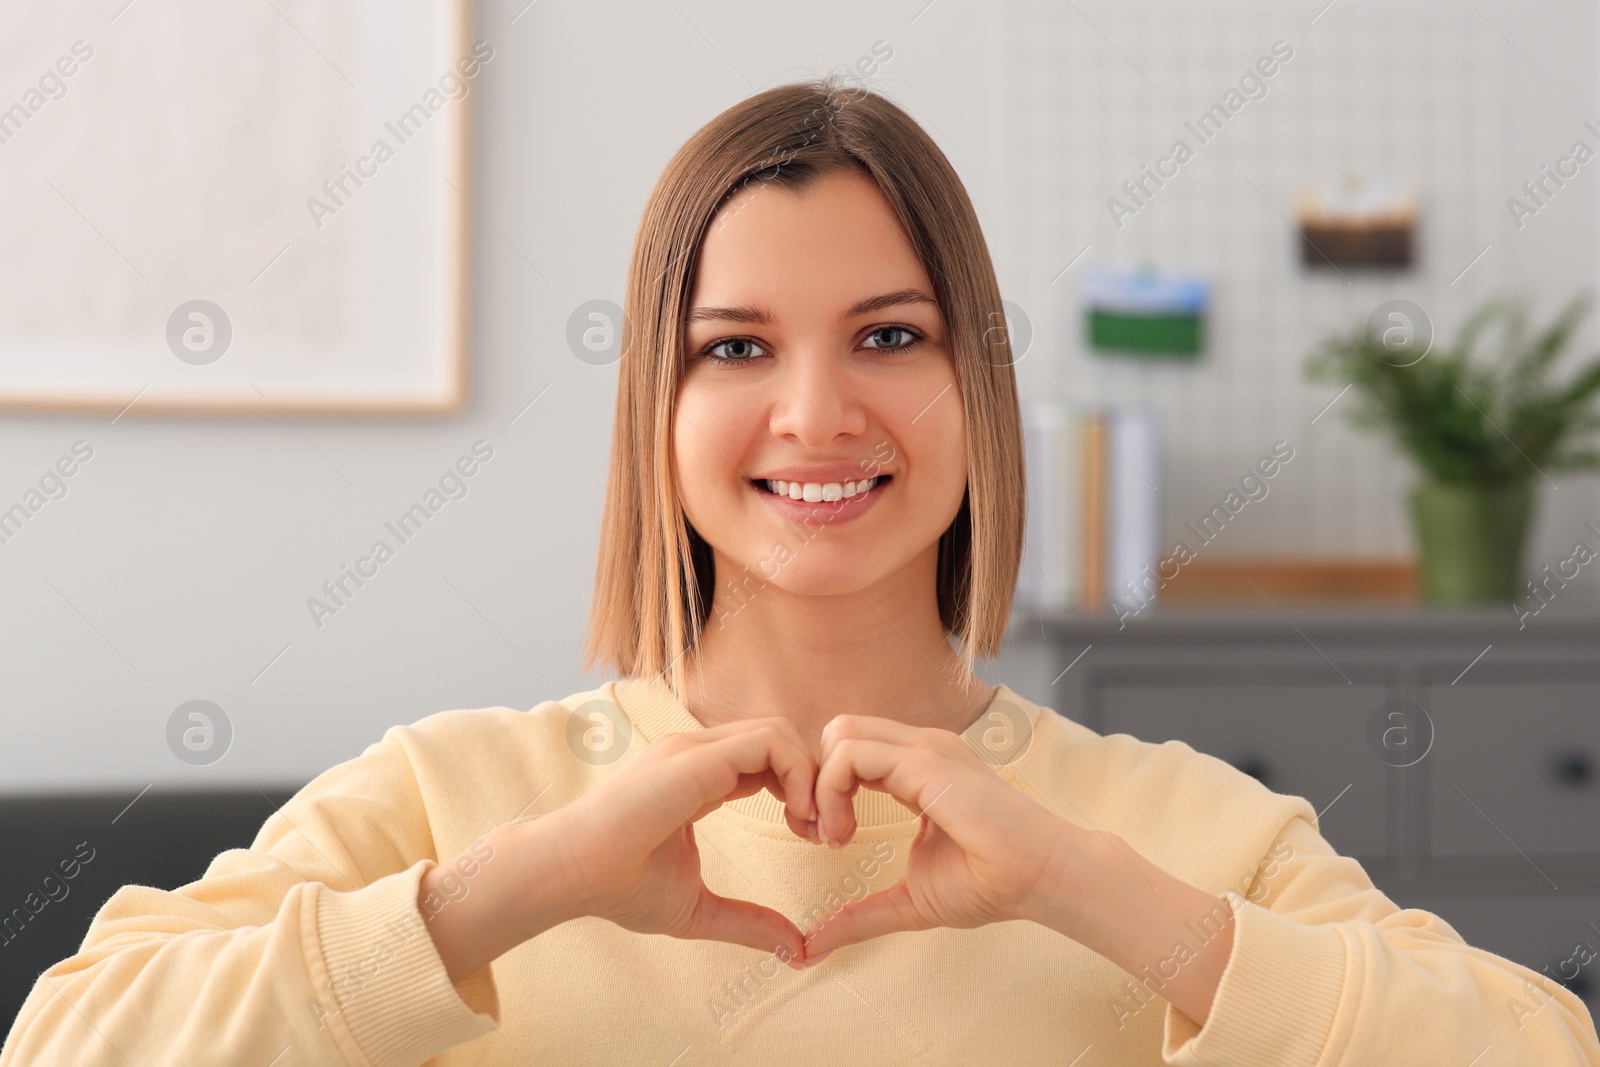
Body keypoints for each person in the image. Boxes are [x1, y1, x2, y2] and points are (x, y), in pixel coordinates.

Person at [5, 75, 1599, 1067]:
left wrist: (1092, 895)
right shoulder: (445, 800)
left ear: (976, 379)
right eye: (736, 346)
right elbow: (70, 1046)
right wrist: (521, 891)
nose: (817, 413)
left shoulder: (1181, 833)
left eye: (891, 337)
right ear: (660, 405)